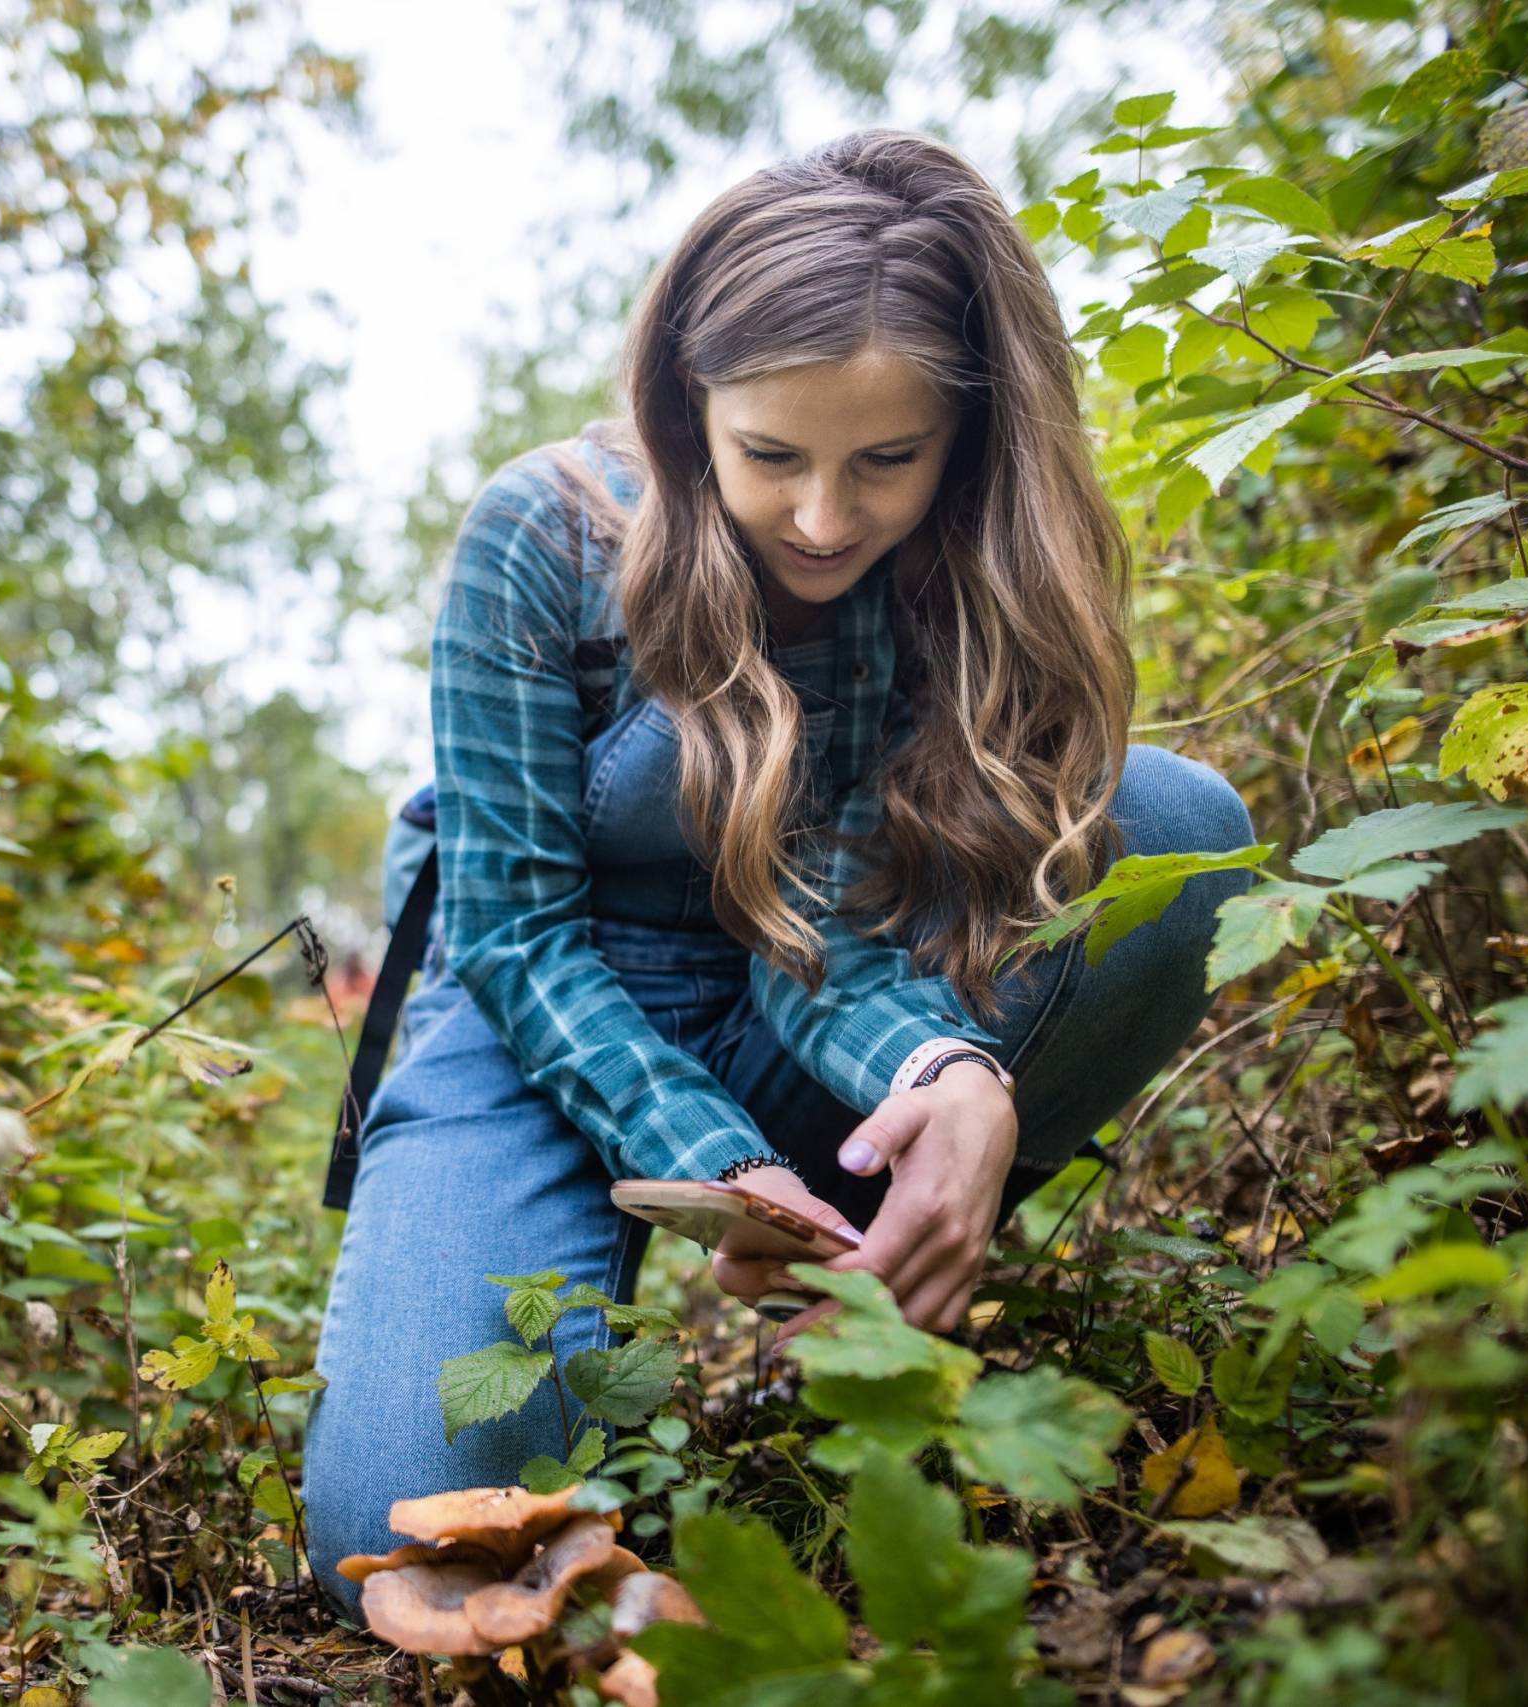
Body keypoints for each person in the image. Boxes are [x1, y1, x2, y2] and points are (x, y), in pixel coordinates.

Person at [300, 129, 1255, 1619]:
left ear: (963, 434)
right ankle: (685, 1310)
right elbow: (511, 931)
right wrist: (716, 1158)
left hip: (811, 971)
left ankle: (874, 1285)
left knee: (1178, 825)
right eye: (770, 458)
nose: (823, 521)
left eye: (885, 460)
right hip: (540, 999)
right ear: (688, 409)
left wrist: (952, 1066)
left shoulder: (948, 579)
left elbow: (825, 923)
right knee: (401, 1517)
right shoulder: (539, 536)